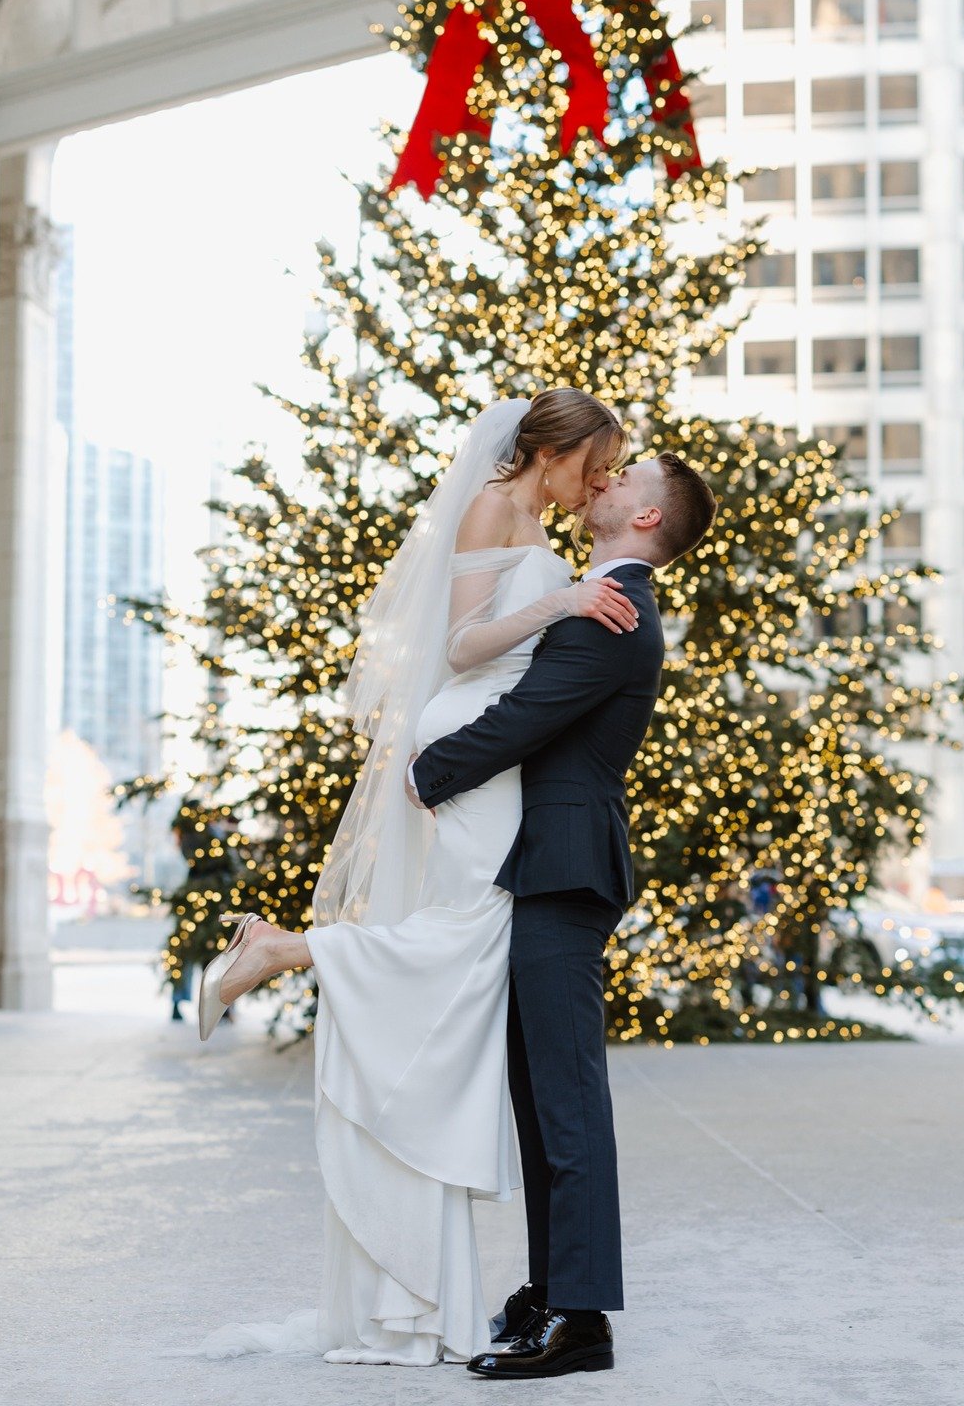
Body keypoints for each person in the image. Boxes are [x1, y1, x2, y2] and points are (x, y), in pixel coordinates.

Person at [178, 391, 716, 1374]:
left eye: (627, 476)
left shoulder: (617, 606)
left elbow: (527, 716)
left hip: (556, 865)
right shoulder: (584, 583)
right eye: (607, 461)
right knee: (534, 1084)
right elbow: (501, 671)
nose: (610, 476)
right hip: (534, 855)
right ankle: (551, 1293)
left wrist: (432, 771)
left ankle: (581, 1319)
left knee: (564, 1097)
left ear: (646, 517)